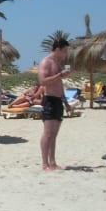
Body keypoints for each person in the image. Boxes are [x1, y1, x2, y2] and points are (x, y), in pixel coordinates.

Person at [37, 37, 69, 171]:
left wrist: (65, 102)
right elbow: (43, 81)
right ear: (58, 49)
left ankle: (53, 162)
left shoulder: (57, 63)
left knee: (54, 134)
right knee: (48, 133)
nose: (66, 54)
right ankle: (45, 163)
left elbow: (59, 85)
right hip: (49, 100)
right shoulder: (46, 62)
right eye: (65, 51)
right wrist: (60, 75)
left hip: (58, 100)